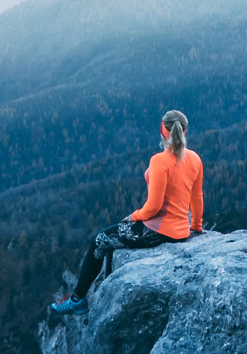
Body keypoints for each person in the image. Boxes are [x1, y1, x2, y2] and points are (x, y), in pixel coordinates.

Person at [50, 108, 202, 313]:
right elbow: (196, 196)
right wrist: (196, 226)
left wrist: (133, 217)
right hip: (181, 231)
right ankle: (99, 287)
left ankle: (77, 300)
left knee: (100, 240)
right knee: (112, 240)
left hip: (156, 231)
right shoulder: (194, 159)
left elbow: (154, 206)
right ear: (185, 132)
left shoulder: (159, 160)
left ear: (163, 130)